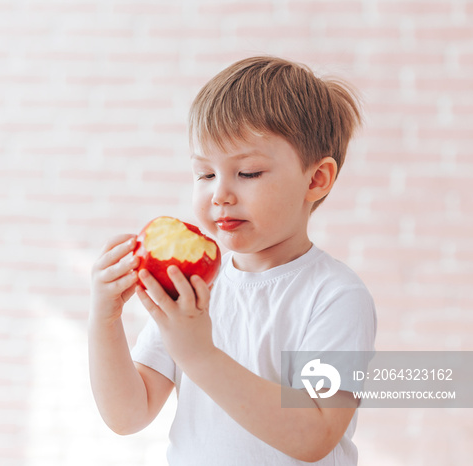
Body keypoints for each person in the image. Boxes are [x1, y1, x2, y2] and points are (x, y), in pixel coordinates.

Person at [88, 56, 377, 465]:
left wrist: (199, 355)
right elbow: (127, 414)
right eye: (205, 174)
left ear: (316, 180)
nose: (219, 194)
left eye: (249, 173)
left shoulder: (335, 295)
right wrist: (104, 319)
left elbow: (315, 435)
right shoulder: (194, 288)